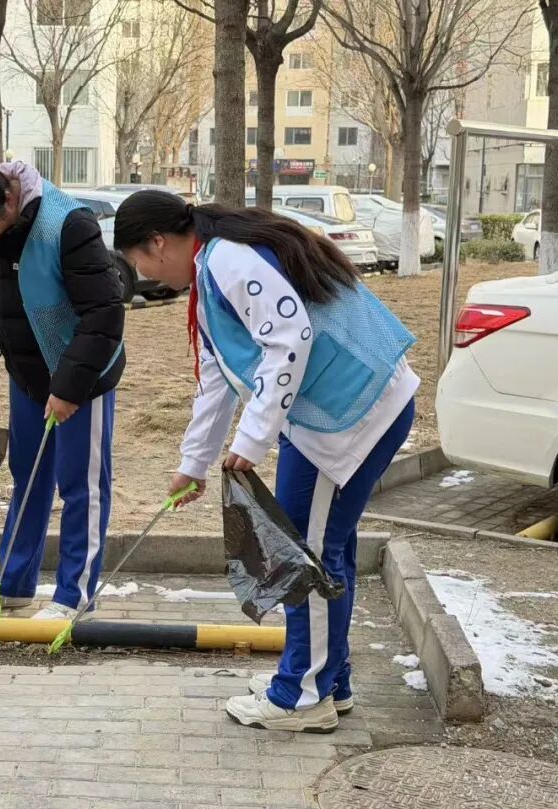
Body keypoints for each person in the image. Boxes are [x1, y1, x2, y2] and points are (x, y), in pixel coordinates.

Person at [113, 191, 417, 733]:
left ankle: (302, 696)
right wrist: (193, 463)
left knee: (305, 556)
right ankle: (328, 680)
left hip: (349, 413)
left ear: (158, 243)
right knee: (323, 550)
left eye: (139, 261)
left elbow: (289, 339)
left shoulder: (227, 259)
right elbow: (217, 380)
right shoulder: (211, 271)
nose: (145, 275)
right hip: (339, 410)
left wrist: (252, 441)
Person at [0, 143, 124, 620]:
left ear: (8, 201)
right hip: (25, 372)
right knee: (28, 475)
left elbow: (104, 313)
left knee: (80, 484)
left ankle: (74, 595)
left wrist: (68, 389)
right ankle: (13, 583)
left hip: (83, 375)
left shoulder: (68, 224)